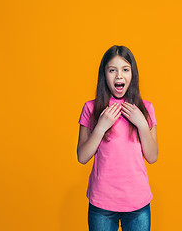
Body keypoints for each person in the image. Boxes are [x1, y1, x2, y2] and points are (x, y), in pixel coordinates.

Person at [77, 45, 158, 231]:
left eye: (125, 69)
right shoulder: (91, 108)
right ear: (104, 75)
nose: (119, 76)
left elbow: (152, 157)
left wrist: (142, 125)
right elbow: (82, 157)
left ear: (133, 74)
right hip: (102, 204)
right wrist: (101, 127)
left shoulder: (145, 109)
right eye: (112, 70)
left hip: (138, 204)